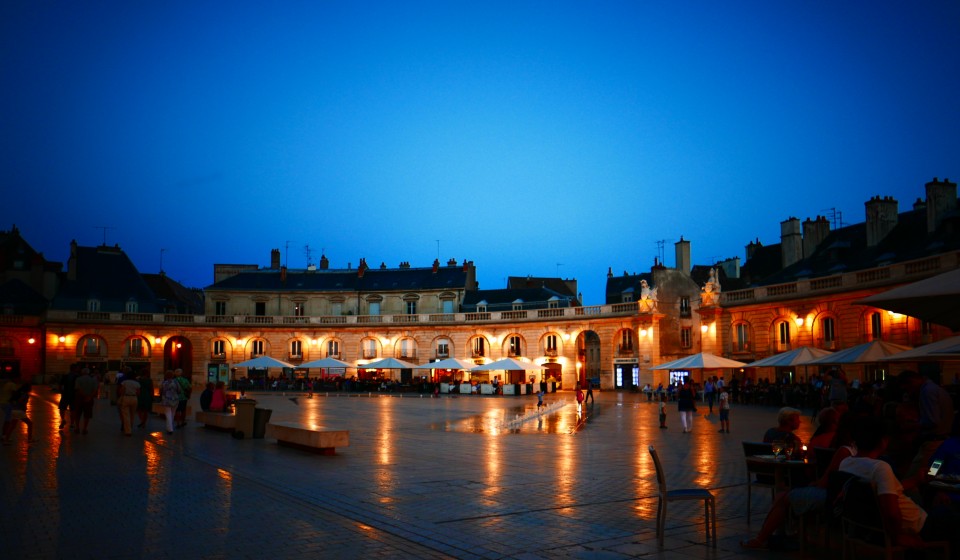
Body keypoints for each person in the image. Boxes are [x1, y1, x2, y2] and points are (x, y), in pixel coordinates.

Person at [839, 415, 959, 551]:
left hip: (875, 526)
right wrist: (897, 537)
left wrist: (917, 480)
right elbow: (891, 513)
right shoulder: (880, 468)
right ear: (883, 441)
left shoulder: (846, 463)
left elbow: (886, 489)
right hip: (918, 524)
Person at [73, 367, 99, 434]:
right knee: (87, 414)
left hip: (79, 399)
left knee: (78, 414)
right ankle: (85, 428)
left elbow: (78, 389)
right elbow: (95, 390)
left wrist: (84, 395)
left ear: (82, 372)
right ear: (88, 373)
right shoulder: (93, 380)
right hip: (89, 399)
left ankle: (77, 428)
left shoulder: (78, 379)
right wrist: (89, 397)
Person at [160, 370, 180, 434]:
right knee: (172, 414)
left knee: (168, 413)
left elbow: (161, 391)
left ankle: (170, 428)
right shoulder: (176, 382)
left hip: (166, 400)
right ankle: (170, 427)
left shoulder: (164, 383)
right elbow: (179, 390)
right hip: (175, 399)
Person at [58, 364, 79, 430]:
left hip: (65, 395)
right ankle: (72, 424)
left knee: (62, 408)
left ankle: (63, 419)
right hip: (73, 396)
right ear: (75, 369)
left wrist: (61, 392)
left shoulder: (65, 376)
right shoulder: (77, 377)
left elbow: (60, 385)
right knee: (73, 410)